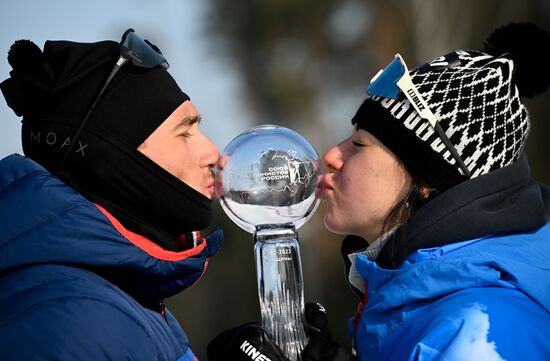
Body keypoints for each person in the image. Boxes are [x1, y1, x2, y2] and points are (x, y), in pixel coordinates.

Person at [207, 22, 550, 361]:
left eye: (358, 144)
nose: (331, 156)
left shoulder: (478, 328)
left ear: (428, 179)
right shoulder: (417, 303)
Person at [0, 29, 222, 360]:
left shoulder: (123, 296)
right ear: (113, 158)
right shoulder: (74, 325)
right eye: (185, 131)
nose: (213, 152)